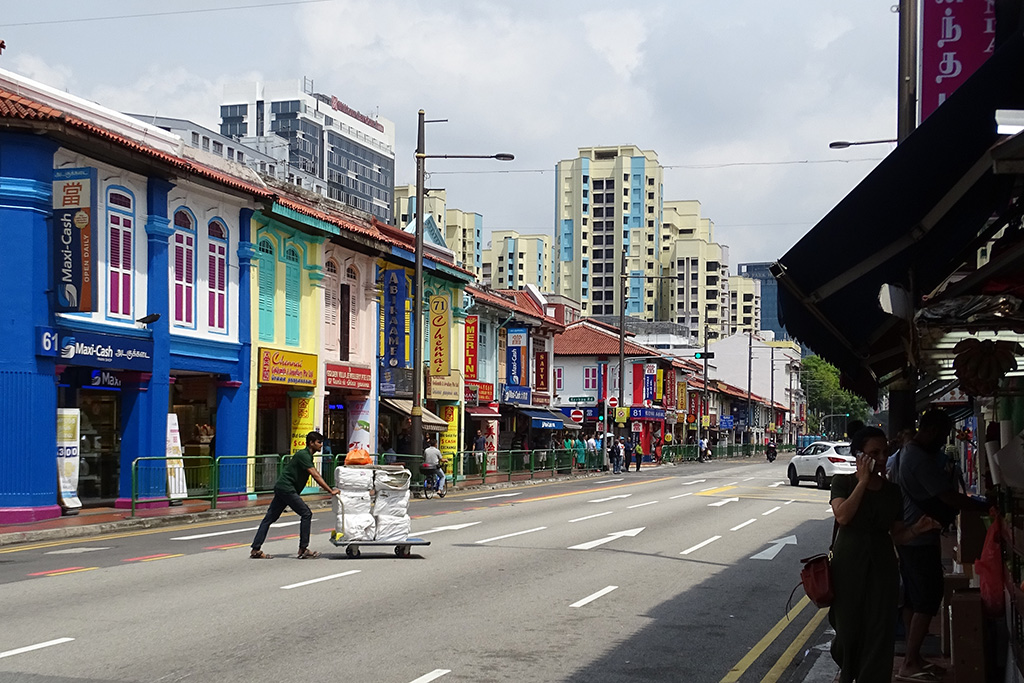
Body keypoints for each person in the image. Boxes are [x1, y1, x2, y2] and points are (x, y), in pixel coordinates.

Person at [829, 427, 940, 683]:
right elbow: (843, 516)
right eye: (873, 453)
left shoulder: (893, 491)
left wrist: (917, 530)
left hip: (882, 565)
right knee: (847, 630)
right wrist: (863, 482)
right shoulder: (842, 482)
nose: (881, 458)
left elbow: (898, 535)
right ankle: (848, 674)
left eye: (884, 452)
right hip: (848, 564)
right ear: (859, 456)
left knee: (880, 631)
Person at [894, 409, 987, 682]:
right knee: (927, 598)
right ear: (933, 431)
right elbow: (947, 497)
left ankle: (915, 656)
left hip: (916, 536)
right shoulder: (917, 458)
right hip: (919, 535)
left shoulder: (912, 453)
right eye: (944, 434)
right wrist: (982, 505)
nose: (944, 439)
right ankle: (910, 661)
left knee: (914, 598)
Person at [250, 431, 339, 560]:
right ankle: (303, 549)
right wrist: (330, 491)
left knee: (269, 519)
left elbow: (315, 473)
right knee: (306, 513)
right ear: (311, 443)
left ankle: (255, 549)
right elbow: (315, 475)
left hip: (283, 488)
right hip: (287, 489)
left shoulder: (307, 456)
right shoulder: (303, 455)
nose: (321, 445)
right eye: (319, 442)